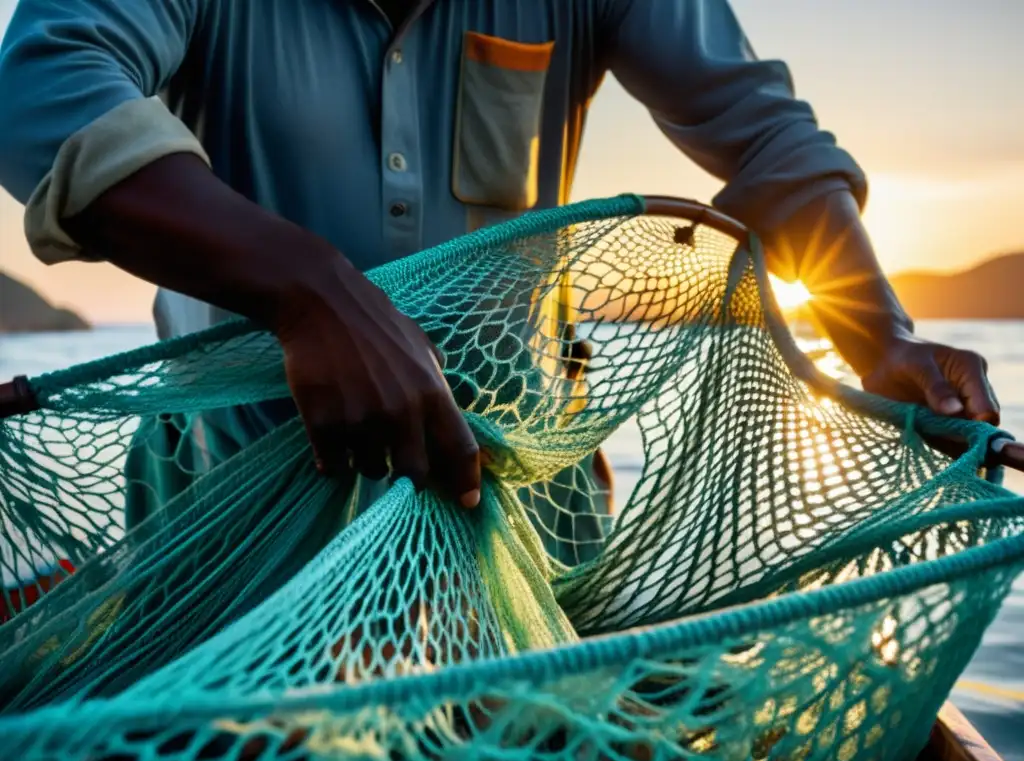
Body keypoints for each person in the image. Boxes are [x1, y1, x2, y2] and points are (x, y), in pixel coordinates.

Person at [0, 0, 1000, 559]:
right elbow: (45, 86)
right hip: (232, 504)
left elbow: (767, 133)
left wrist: (880, 336)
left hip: (519, 503)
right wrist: (305, 288)